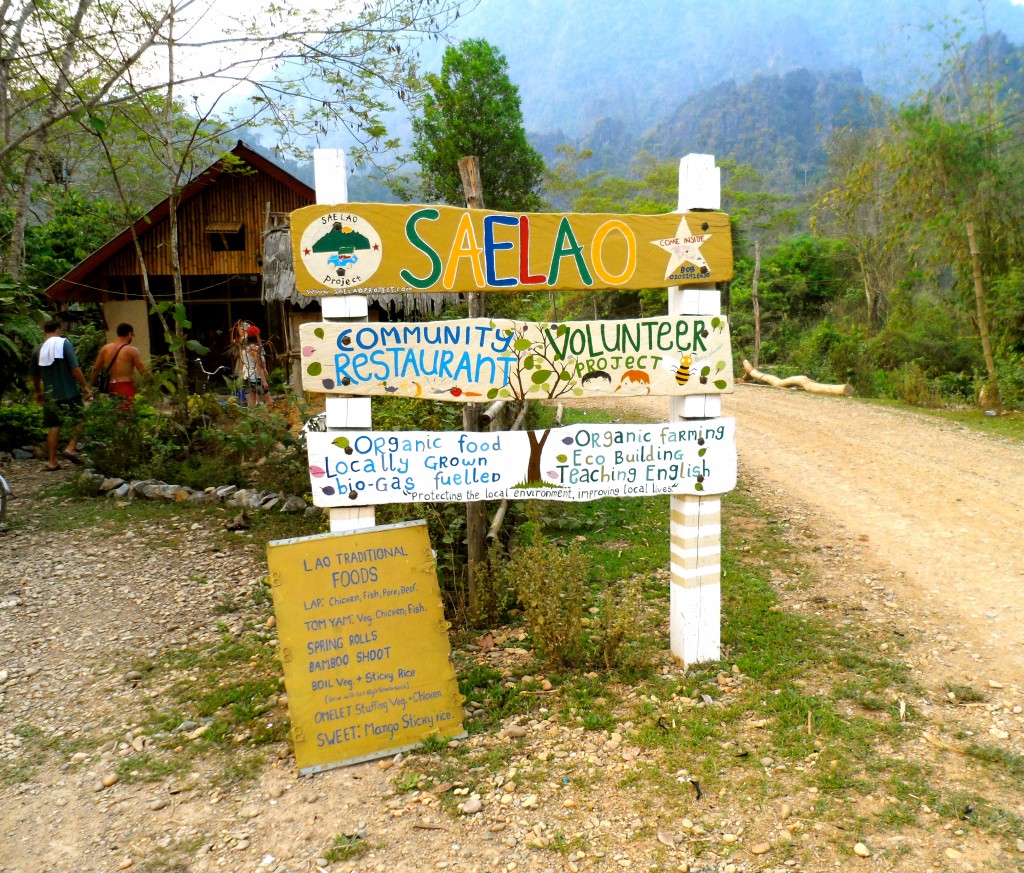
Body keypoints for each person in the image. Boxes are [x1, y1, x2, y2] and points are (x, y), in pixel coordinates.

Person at [30, 320, 93, 471]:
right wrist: (85, 385)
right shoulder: (64, 344)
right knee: (80, 420)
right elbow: (74, 368)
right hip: (69, 391)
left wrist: (39, 392)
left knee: (54, 426)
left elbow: (35, 375)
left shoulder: (38, 350)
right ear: (59, 329)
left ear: (45, 331)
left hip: (50, 394)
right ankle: (70, 447)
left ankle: (52, 461)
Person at [91, 322, 145, 404]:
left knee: (114, 413)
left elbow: (95, 369)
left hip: (109, 387)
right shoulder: (132, 350)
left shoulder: (105, 349)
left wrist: (94, 383)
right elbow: (142, 370)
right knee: (127, 414)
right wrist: (153, 384)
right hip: (125, 386)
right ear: (130, 334)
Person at [238, 324, 270, 408]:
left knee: (251, 405)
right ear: (256, 335)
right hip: (256, 377)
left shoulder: (243, 349)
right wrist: (264, 381)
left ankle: (253, 420)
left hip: (246, 377)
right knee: (269, 402)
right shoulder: (255, 348)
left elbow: (241, 365)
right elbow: (258, 365)